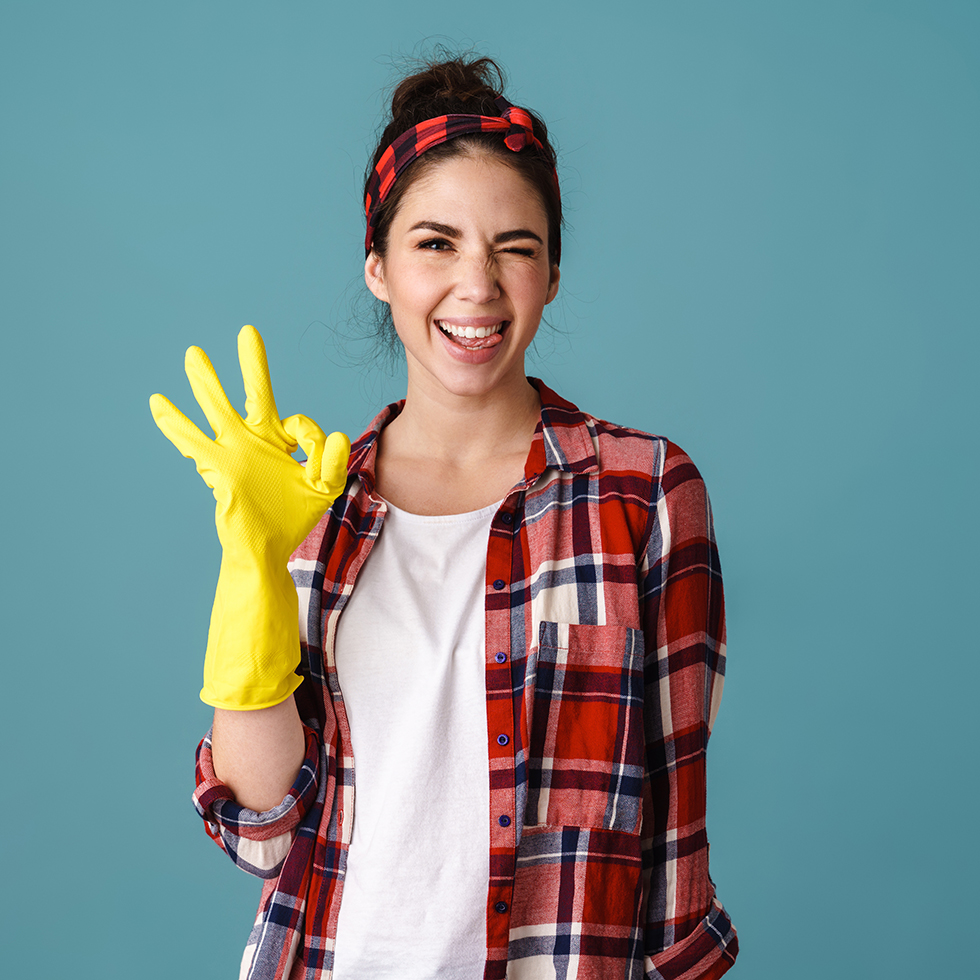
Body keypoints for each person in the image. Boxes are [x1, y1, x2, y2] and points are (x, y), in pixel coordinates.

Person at [151, 55, 738, 980]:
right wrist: (252, 566)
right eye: (436, 243)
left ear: (551, 272)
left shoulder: (647, 494)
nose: (478, 285)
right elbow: (262, 833)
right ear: (379, 269)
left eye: (515, 245)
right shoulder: (308, 503)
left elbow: (675, 839)